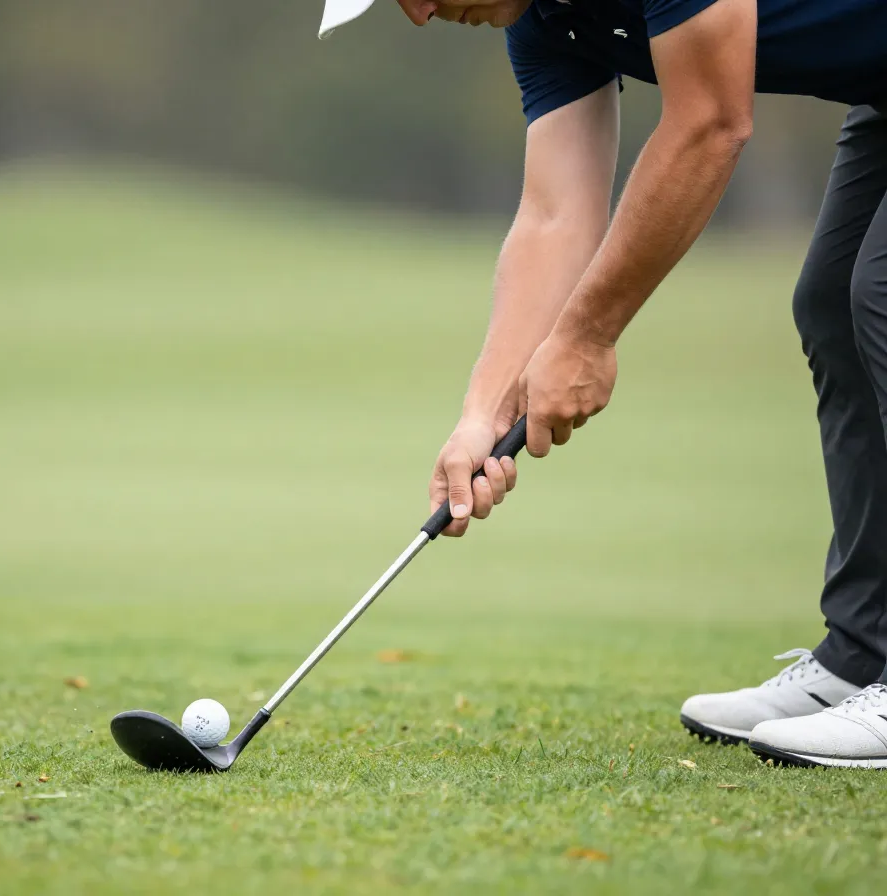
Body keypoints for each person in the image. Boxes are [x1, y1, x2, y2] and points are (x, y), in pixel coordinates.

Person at [318, 0, 887, 768]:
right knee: (831, 306)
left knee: (880, 293)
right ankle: (864, 651)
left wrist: (586, 334)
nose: (417, 15)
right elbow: (555, 214)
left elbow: (711, 122)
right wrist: (482, 413)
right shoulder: (542, 22)